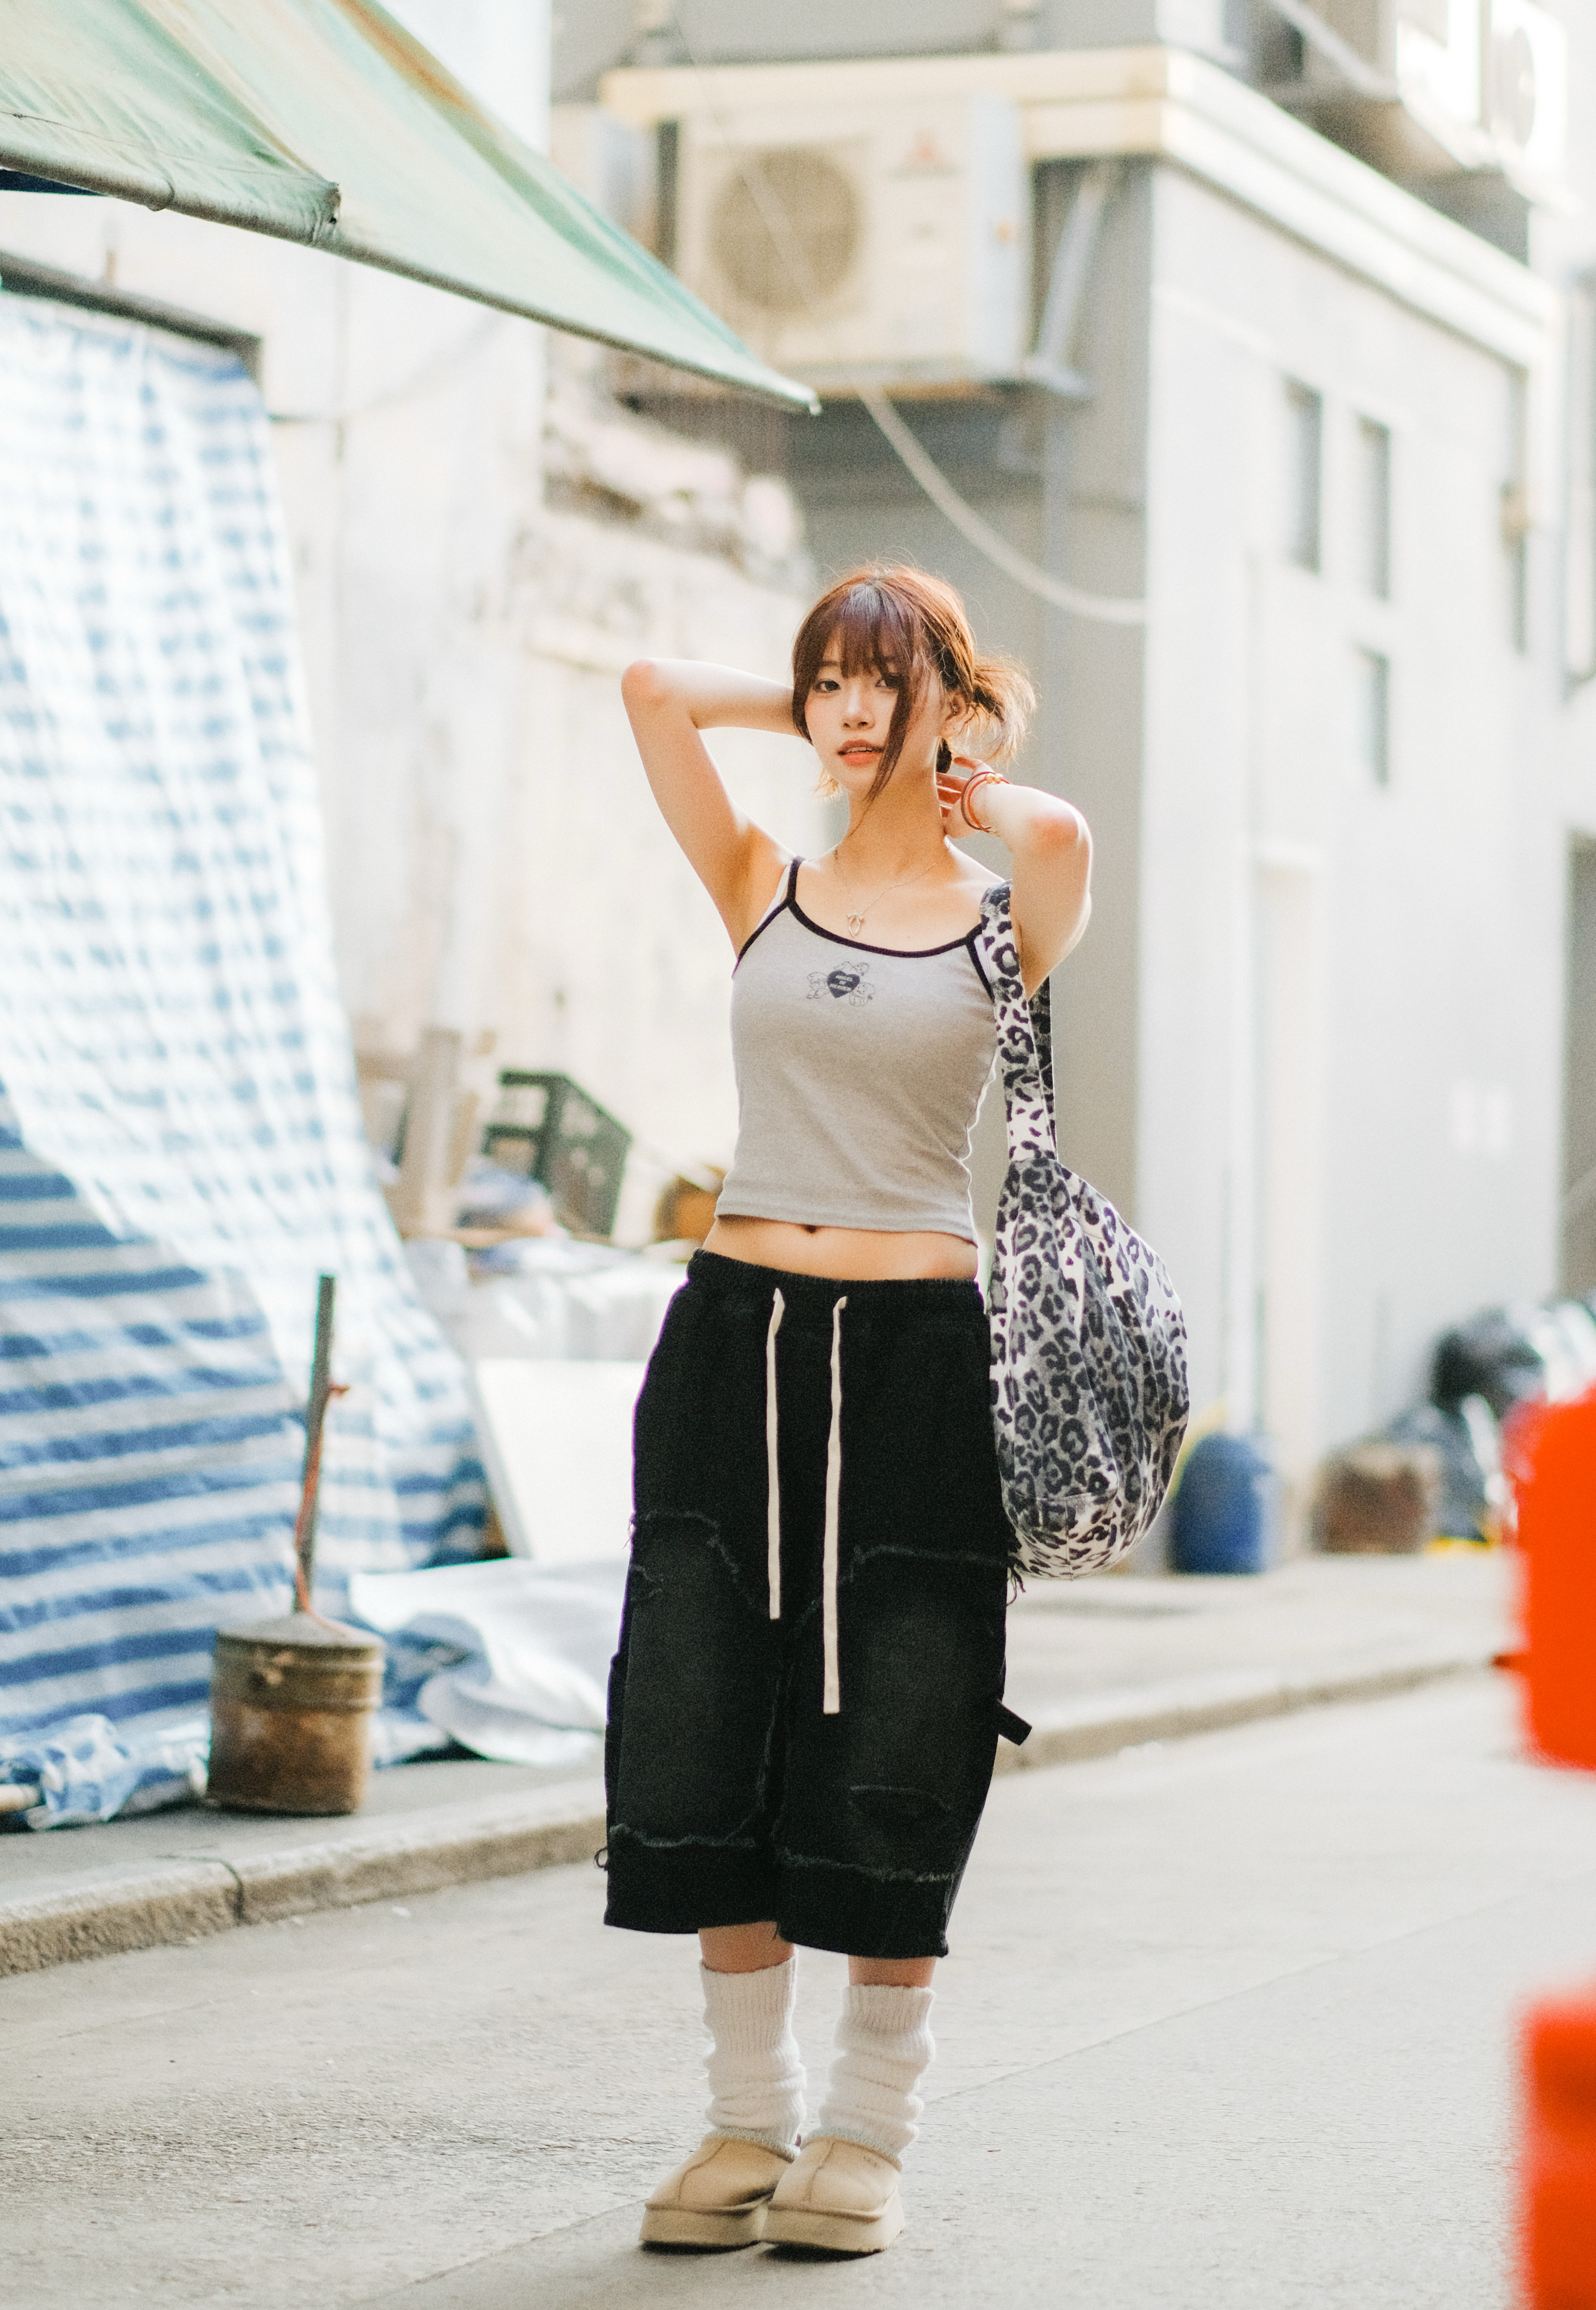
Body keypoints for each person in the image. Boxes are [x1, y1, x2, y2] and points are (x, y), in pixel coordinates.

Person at [608, 564, 1092, 2255]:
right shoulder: (765, 881)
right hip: (732, 1335)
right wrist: (819, 712)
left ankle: (869, 2130)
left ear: (950, 696)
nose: (847, 704)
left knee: (903, 1710)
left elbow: (1058, 835)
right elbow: (652, 691)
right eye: (829, 677)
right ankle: (749, 2117)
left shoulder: (999, 910)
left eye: (884, 677)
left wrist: (947, 752)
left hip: (912, 1356)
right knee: (701, 1702)